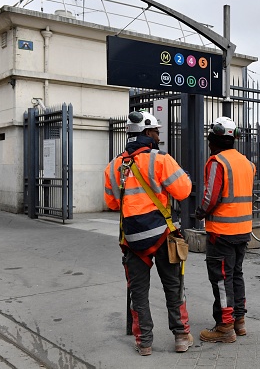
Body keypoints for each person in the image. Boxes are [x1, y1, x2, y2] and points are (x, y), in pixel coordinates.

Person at [104, 111, 194, 354]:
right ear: (147, 133)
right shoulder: (161, 159)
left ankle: (144, 343)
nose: (158, 135)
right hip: (163, 236)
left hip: (132, 240)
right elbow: (184, 191)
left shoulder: (114, 166)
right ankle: (181, 337)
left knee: (138, 293)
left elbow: (112, 203)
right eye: (156, 131)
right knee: (173, 287)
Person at [194, 116, 256, 343]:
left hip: (222, 232)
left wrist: (201, 212)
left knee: (221, 279)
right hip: (243, 230)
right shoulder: (247, 163)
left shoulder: (217, 162)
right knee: (236, 275)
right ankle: (239, 321)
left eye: (210, 140)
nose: (209, 145)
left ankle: (225, 327)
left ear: (214, 140)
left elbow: (211, 196)